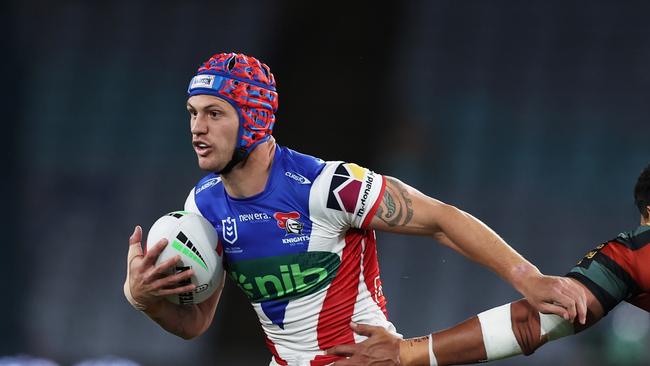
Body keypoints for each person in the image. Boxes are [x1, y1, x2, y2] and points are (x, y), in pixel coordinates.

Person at [123, 52, 587, 366]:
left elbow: (442, 220)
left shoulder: (327, 186)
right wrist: (142, 300)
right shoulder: (203, 204)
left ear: (255, 118)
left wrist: (528, 277)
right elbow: (195, 323)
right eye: (192, 112)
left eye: (214, 113)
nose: (197, 128)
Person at [326, 163, 650, 366]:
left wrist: (406, 352)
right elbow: (542, 318)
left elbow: (536, 323)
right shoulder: (632, 255)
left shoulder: (633, 252)